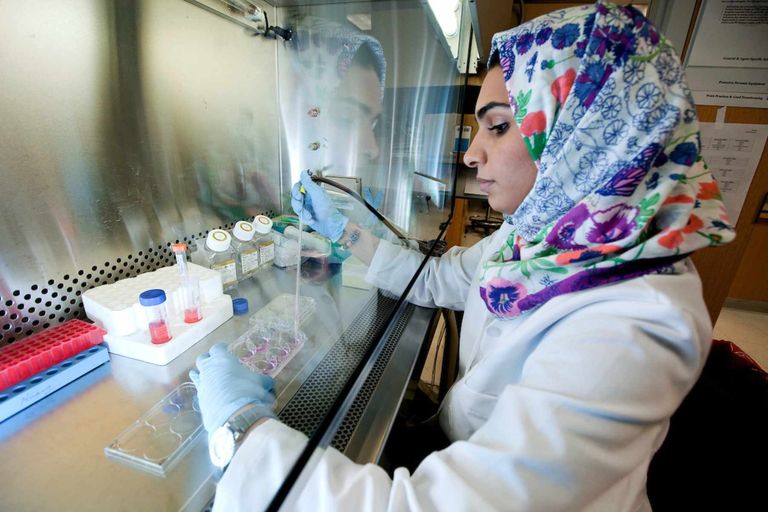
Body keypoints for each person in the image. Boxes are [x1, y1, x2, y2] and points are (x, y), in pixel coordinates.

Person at [190, 2, 736, 510]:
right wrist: (348, 233)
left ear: (584, 135)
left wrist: (241, 435)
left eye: (498, 126)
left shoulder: (634, 322)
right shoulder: (544, 238)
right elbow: (444, 278)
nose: (473, 154)